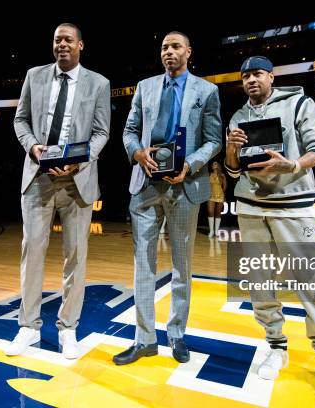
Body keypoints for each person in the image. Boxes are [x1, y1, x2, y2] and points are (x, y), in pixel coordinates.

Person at [224, 56, 315, 398]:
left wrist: (291, 164)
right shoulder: (238, 116)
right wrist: (232, 151)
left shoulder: (299, 103)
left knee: (310, 281)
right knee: (259, 283)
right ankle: (276, 347)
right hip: (250, 208)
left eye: (258, 74)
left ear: (271, 76)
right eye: (246, 75)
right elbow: (233, 171)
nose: (251, 80)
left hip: (294, 206)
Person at [115, 31, 222, 365]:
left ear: (188, 51)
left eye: (176, 47)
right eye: (164, 47)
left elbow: (214, 139)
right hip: (146, 186)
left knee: (181, 266)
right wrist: (137, 153)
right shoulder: (145, 87)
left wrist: (189, 165)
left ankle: (176, 334)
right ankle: (144, 339)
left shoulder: (208, 91)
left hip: (184, 186)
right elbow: (129, 131)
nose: (169, 52)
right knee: (143, 266)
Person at [7, 23, 111, 359]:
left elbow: (101, 133)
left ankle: (68, 328)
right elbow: (20, 120)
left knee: (75, 257)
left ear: (81, 44)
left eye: (68, 40)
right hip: (38, 176)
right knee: (32, 253)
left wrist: (79, 162)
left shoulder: (99, 83)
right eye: (56, 40)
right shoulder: (34, 76)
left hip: (77, 181)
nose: (62, 44)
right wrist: (33, 147)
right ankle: (28, 327)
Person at [207, 161, 226, 238]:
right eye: (212, 164)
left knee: (218, 213)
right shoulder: (209, 175)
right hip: (210, 196)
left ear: (218, 165)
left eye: (215, 164)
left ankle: (216, 231)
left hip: (220, 196)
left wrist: (222, 194)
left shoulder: (222, 175)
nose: (213, 165)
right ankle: (211, 231)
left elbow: (225, 186)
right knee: (210, 211)